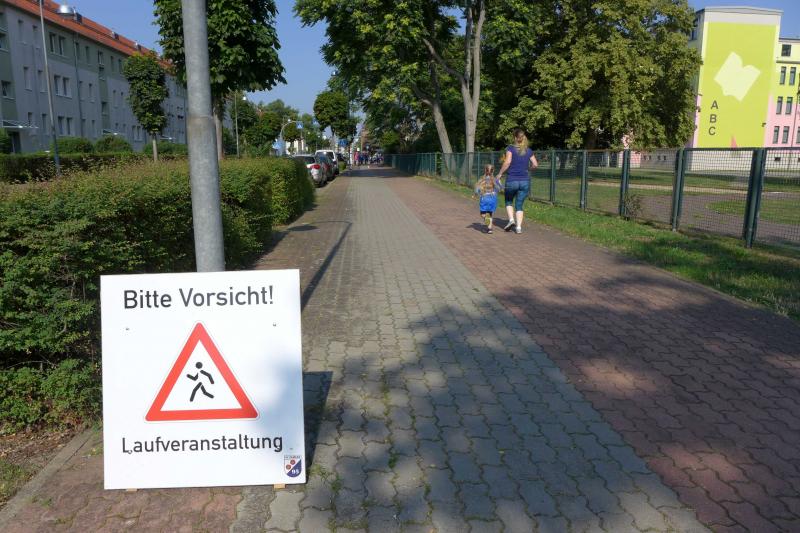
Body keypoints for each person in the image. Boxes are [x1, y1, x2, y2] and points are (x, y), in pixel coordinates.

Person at [495, 128, 538, 233]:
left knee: (508, 201)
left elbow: (507, 162)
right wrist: (528, 169)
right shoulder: (528, 150)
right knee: (519, 205)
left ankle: (511, 220)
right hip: (524, 181)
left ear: (515, 137)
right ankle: (518, 228)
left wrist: (499, 174)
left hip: (512, 180)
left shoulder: (510, 148)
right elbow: (535, 164)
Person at [473, 164, 504, 234]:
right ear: (493, 171)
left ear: (485, 170)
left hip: (484, 198)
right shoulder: (495, 179)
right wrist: (499, 182)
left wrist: (475, 195)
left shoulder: (482, 179)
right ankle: (489, 229)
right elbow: (500, 188)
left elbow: (477, 188)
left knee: (483, 214)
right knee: (489, 214)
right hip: (493, 199)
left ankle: (487, 221)